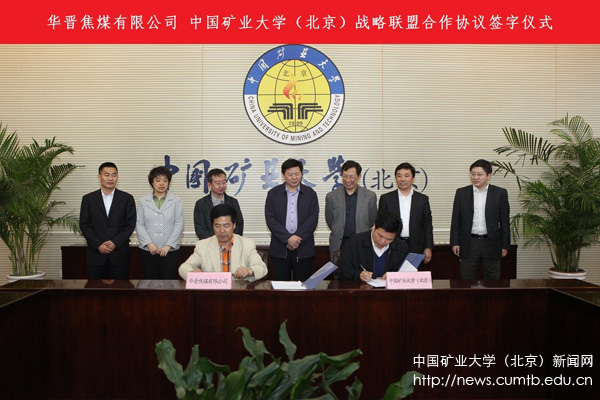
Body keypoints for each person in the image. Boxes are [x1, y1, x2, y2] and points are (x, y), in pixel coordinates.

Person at [450, 159, 510, 280]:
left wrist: (505, 245)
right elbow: (456, 220)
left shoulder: (500, 193)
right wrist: (455, 242)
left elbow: (504, 222)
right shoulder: (462, 193)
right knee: (467, 279)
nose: (475, 177)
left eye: (479, 174)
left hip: (491, 243)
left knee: (492, 280)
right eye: (473, 174)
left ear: (488, 175)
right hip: (469, 242)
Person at [178, 204, 267, 281]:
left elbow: (262, 267)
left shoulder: (247, 244)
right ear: (212, 225)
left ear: (234, 225)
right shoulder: (202, 246)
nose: (222, 230)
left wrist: (249, 271)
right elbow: (183, 267)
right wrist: (191, 273)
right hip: (213, 292)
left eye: (226, 225)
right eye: (217, 226)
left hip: (238, 291)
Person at [265, 158, 319, 281]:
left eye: (297, 174)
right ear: (283, 175)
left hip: (303, 248)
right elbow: (270, 219)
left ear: (301, 174)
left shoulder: (310, 194)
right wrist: (287, 238)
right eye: (290, 174)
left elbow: (313, 218)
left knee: (304, 286)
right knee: (281, 287)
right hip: (280, 248)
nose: (294, 177)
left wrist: (297, 238)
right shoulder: (273, 194)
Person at [79, 162, 136, 279]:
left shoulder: (127, 198)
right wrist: (98, 244)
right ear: (99, 177)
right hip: (96, 255)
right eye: (107, 175)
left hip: (119, 255)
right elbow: (84, 225)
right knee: (96, 289)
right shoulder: (88, 199)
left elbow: (130, 225)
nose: (110, 178)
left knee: (120, 289)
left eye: (114, 175)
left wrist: (115, 242)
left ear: (117, 177)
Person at [378, 162, 434, 264]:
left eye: (406, 176)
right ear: (396, 178)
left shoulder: (422, 199)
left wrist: (428, 247)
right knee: (392, 272)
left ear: (413, 178)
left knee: (412, 273)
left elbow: (427, 225)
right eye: (399, 176)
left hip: (416, 246)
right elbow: (380, 224)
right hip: (392, 245)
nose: (402, 179)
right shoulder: (386, 199)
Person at [136, 166, 184, 279]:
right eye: (158, 180)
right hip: (149, 250)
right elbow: (139, 224)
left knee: (169, 282)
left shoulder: (176, 201)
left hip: (170, 251)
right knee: (150, 282)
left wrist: (168, 245)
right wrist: (149, 244)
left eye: (165, 180)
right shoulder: (143, 201)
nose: (161, 183)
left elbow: (179, 224)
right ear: (152, 182)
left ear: (169, 182)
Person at [325, 160, 377, 261]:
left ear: (359, 177)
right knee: (339, 270)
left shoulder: (370, 196)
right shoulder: (331, 196)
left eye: (351, 176)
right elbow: (330, 221)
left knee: (361, 269)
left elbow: (371, 220)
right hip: (339, 243)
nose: (348, 180)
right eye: (345, 176)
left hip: (361, 242)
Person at [337, 211, 409, 282]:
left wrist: (395, 276)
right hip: (360, 288)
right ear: (374, 226)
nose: (383, 241)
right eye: (380, 236)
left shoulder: (401, 247)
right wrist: (358, 274)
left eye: (389, 239)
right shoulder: (354, 242)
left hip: (388, 289)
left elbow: (406, 274)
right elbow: (342, 271)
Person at [193, 168, 244, 240]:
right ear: (209, 185)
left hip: (230, 243)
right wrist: (216, 242)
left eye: (224, 182)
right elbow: (200, 229)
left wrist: (228, 240)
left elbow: (239, 224)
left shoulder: (233, 202)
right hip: (209, 244)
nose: (221, 185)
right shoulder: (201, 204)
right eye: (217, 183)